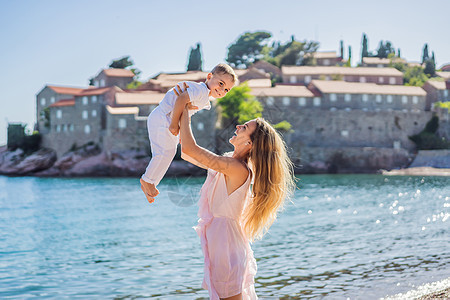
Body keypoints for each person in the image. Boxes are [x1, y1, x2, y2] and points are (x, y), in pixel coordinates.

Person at [176, 83, 296, 300]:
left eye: (245, 127)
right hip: (223, 243)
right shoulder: (232, 163)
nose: (238, 125)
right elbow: (188, 154)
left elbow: (189, 149)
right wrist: (183, 111)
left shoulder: (237, 169)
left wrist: (184, 107)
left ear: (249, 143)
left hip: (226, 246)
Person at [140, 64, 237, 203]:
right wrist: (174, 124)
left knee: (165, 153)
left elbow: (187, 113)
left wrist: (181, 133)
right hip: (164, 118)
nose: (222, 90)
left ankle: (150, 183)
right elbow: (181, 100)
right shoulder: (201, 91)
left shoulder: (203, 95)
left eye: (226, 89)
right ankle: (147, 181)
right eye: (221, 83)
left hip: (160, 117)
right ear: (209, 76)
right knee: (165, 153)